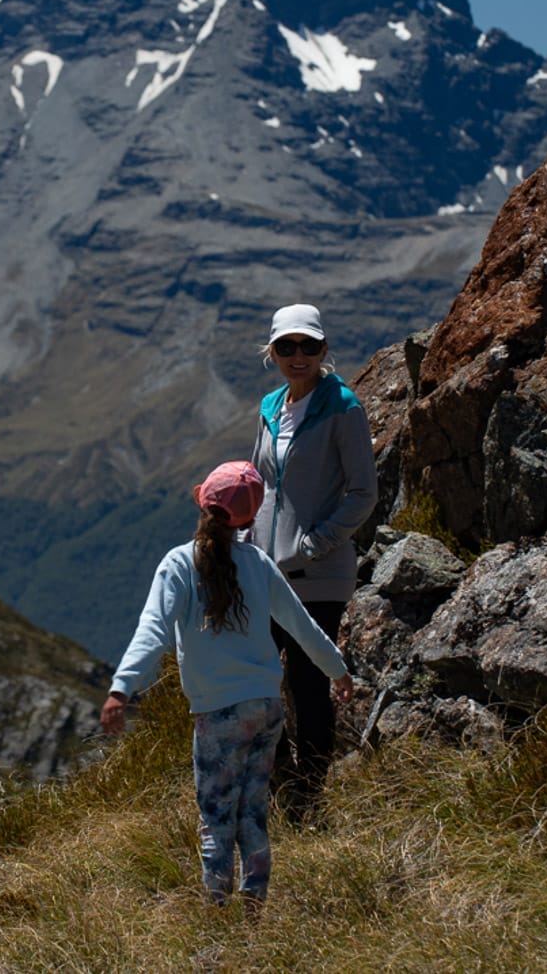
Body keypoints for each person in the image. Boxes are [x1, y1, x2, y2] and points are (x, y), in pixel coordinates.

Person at [101, 461, 353, 908]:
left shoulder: (179, 563)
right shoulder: (258, 562)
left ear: (201, 502)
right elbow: (301, 625)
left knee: (216, 817)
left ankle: (217, 912)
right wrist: (337, 670)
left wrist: (122, 688)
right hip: (265, 708)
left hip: (218, 713)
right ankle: (253, 906)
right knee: (253, 813)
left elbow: (153, 630)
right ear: (250, 519)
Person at [250, 303, 377, 812]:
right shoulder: (269, 406)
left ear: (324, 350)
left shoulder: (342, 406)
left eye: (308, 346)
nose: (297, 356)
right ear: (272, 352)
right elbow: (259, 482)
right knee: (257, 678)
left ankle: (309, 795)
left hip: (317, 574)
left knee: (307, 685)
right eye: (286, 347)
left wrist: (314, 543)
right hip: (266, 573)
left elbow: (363, 492)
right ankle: (280, 782)